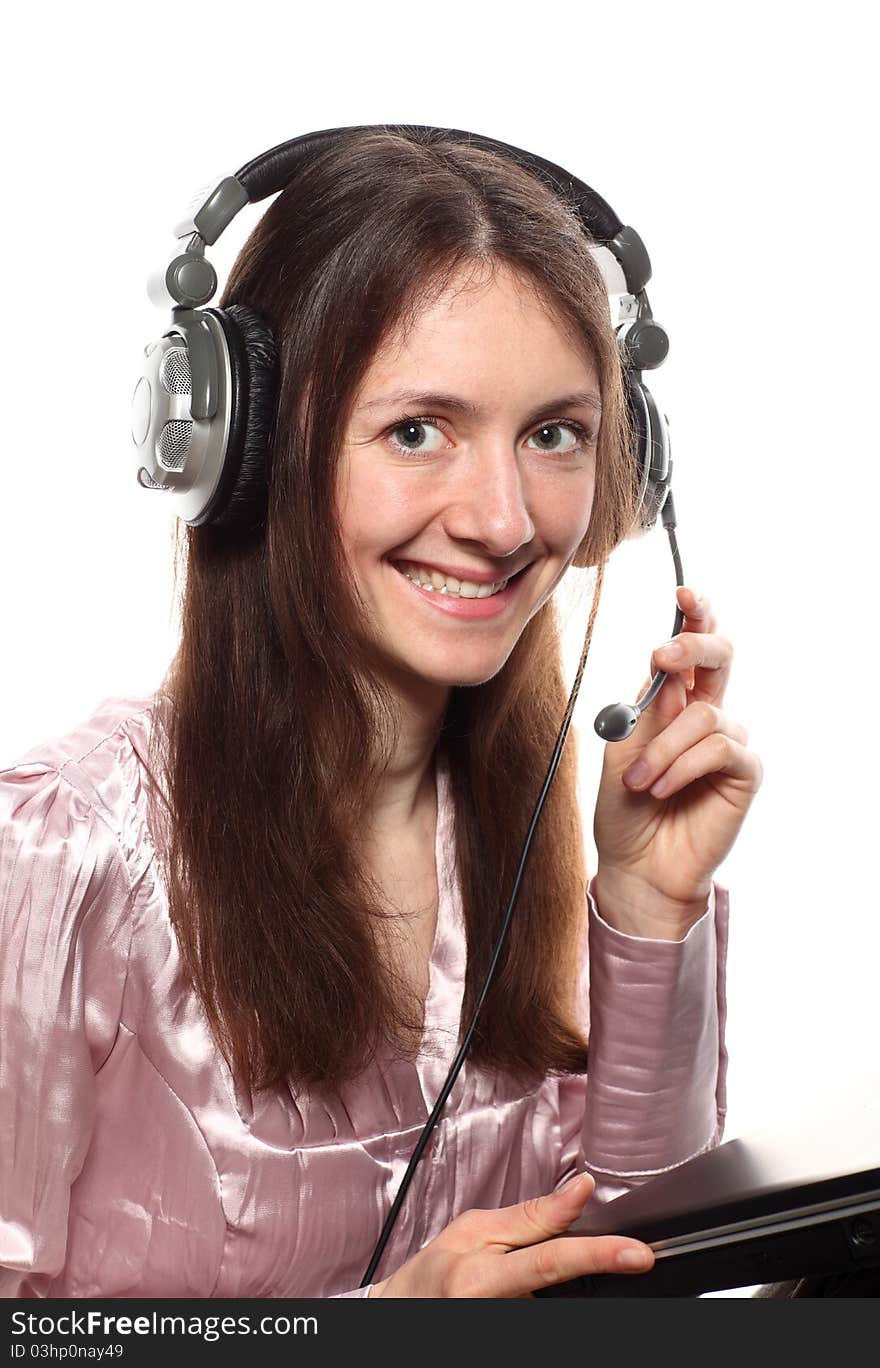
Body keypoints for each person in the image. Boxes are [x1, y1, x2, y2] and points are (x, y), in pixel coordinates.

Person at [0, 128, 763, 1299]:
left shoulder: (526, 848)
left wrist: (648, 913)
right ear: (246, 448)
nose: (504, 521)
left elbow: (633, 1274)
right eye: (418, 431)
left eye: (553, 434)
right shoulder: (63, 855)